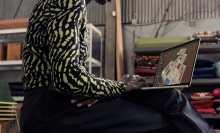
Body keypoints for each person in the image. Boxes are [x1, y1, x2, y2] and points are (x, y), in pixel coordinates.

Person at [20, 0, 215, 133]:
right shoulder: (69, 3)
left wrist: (96, 87)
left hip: (55, 101)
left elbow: (69, 76)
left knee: (166, 97)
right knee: (163, 122)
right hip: (48, 109)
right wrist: (119, 87)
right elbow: (68, 78)